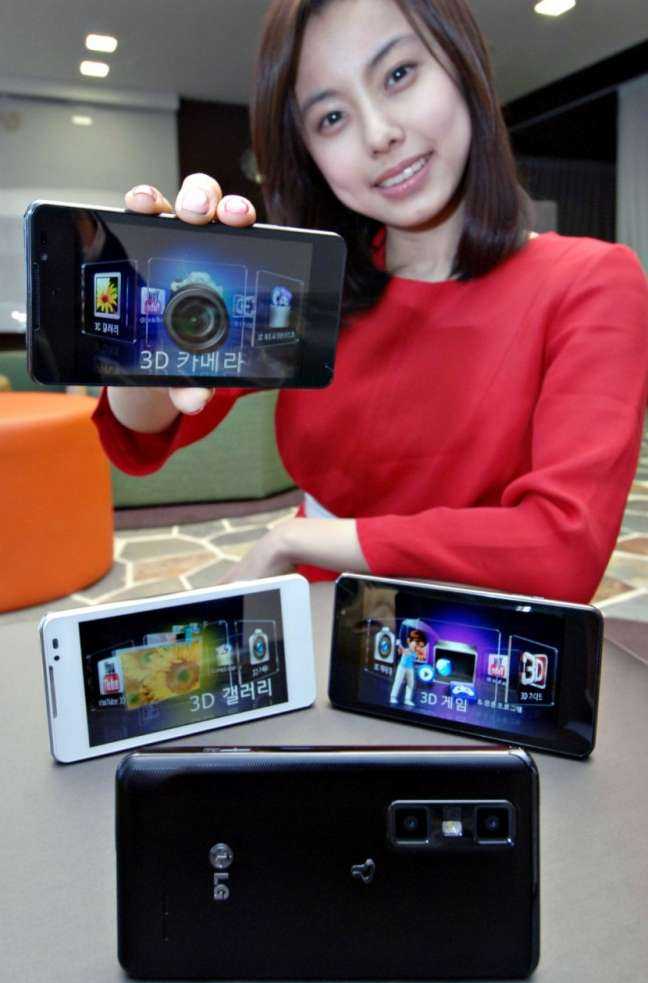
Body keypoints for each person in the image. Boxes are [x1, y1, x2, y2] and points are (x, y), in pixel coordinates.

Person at [93, 0, 648, 603]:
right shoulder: (315, 281)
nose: (380, 134)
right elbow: (145, 431)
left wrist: (296, 539)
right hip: (314, 611)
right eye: (332, 117)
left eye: (399, 74)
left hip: (468, 640)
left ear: (462, 63)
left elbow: (562, 549)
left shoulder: (591, 281)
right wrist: (145, 342)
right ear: (307, 152)